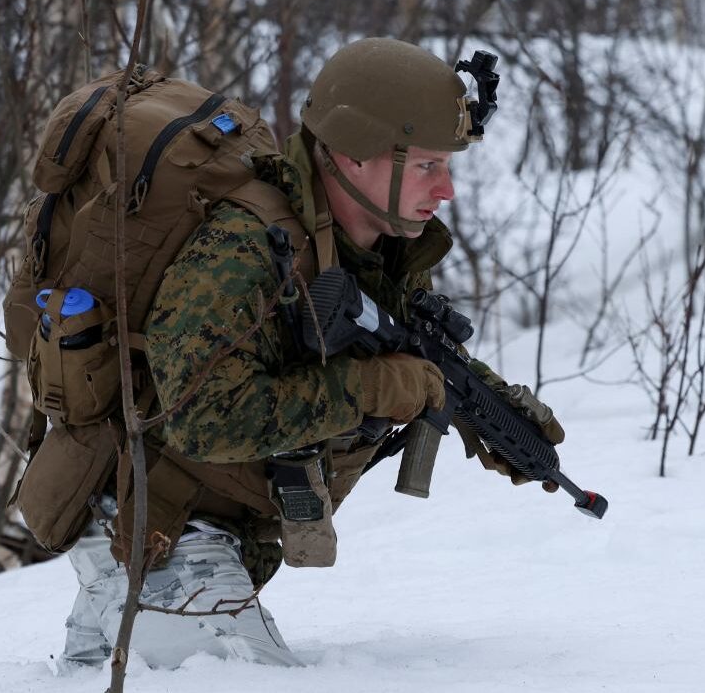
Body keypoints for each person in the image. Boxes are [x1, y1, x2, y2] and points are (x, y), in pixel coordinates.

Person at [58, 37, 563, 671]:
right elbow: (200, 416)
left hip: (220, 532)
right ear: (353, 154)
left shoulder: (377, 244)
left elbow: (414, 349)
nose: (448, 190)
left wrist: (492, 409)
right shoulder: (244, 250)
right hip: (160, 524)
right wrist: (379, 389)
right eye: (430, 165)